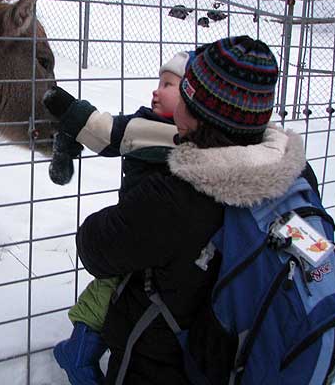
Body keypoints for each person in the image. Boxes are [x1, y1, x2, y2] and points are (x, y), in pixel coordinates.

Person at [70, 36, 313, 384]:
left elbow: (94, 247)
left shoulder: (177, 196)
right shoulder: (298, 175)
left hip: (166, 368)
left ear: (197, 111)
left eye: (184, 93)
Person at [43, 51, 191, 384]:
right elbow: (105, 130)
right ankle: (79, 353)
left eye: (168, 84)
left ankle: (85, 350)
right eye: (158, 83)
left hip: (158, 248)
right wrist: (66, 108)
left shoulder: (196, 138)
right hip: (133, 236)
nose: (157, 90)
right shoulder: (145, 126)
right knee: (107, 292)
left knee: (123, 295)